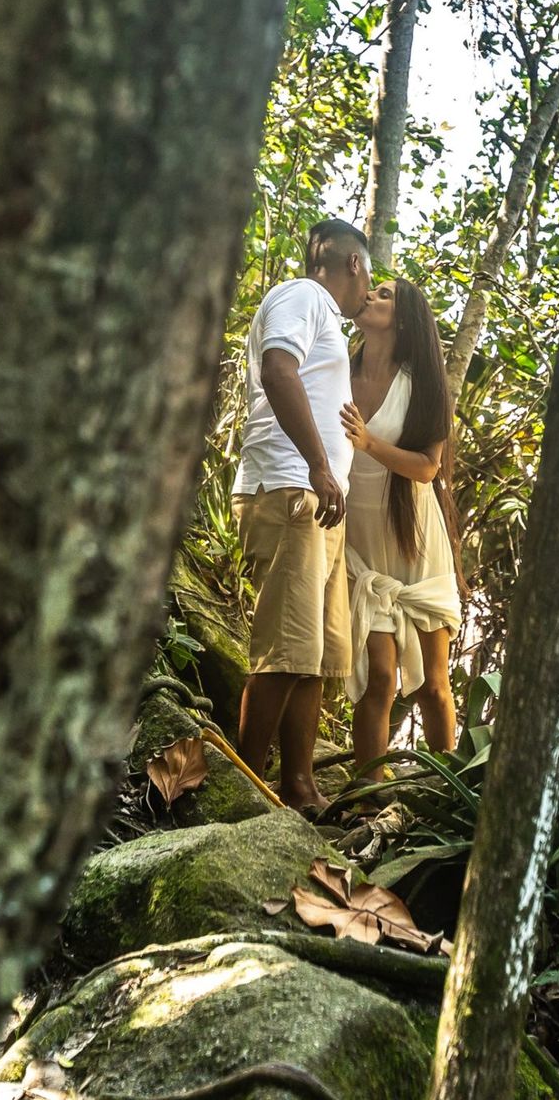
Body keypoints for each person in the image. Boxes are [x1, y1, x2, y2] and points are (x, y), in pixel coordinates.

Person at [232, 219, 369, 812]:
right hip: (290, 489)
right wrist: (317, 465)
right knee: (284, 652)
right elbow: (277, 370)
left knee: (312, 658)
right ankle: (243, 787)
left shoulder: (323, 316)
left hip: (315, 500)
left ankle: (299, 785)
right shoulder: (304, 295)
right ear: (356, 266)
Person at [338, 275, 463, 773]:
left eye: (384, 293)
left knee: (434, 684)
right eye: (372, 289)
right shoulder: (336, 370)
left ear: (405, 318)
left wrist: (369, 443)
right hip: (359, 543)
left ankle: (446, 792)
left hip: (415, 541)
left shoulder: (421, 384)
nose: (370, 294)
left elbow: (428, 468)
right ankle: (368, 798)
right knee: (379, 678)